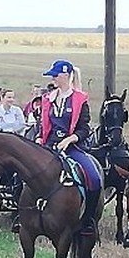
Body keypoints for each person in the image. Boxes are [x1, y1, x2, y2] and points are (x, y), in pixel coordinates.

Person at [39, 59, 102, 235]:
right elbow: (43, 124)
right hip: (48, 146)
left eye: (55, 75)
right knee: (24, 173)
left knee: (94, 179)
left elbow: (84, 128)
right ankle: (24, 215)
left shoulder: (79, 100)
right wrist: (39, 137)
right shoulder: (48, 99)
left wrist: (69, 140)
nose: (52, 79)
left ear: (66, 76)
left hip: (72, 148)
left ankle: (88, 220)